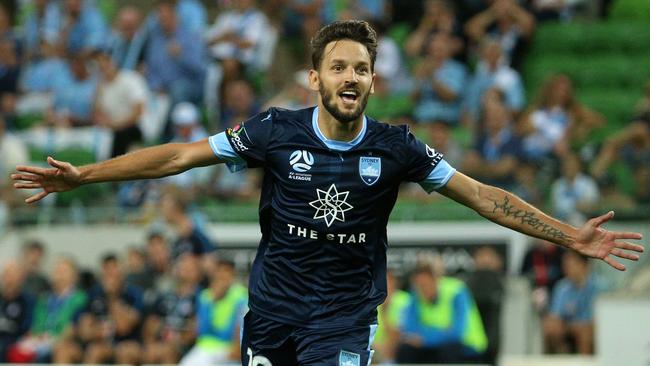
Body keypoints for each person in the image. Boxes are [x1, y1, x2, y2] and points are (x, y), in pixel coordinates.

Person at [11, 20, 645, 366]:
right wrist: (84, 176)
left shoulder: (398, 147)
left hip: (343, 320)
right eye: (339, 66)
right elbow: (179, 155)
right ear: (315, 77)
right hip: (272, 315)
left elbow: (482, 196)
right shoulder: (273, 129)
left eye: (361, 69)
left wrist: (569, 234)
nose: (351, 77)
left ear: (372, 81)